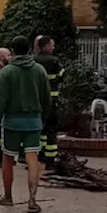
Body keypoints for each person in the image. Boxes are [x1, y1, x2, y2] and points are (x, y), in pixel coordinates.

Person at [0, 36, 52, 213]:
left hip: (12, 122)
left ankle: (8, 196)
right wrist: (44, 118)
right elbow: (46, 98)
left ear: (13, 51)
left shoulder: (7, 72)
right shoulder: (39, 70)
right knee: (32, 159)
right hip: (34, 121)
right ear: (30, 49)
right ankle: (32, 200)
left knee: (8, 159)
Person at [33, 35, 64, 168]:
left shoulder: (33, 61)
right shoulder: (54, 61)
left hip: (36, 101)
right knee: (51, 129)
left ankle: (38, 155)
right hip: (51, 100)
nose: (53, 47)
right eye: (52, 45)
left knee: (38, 129)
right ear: (45, 46)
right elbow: (61, 76)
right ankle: (50, 159)